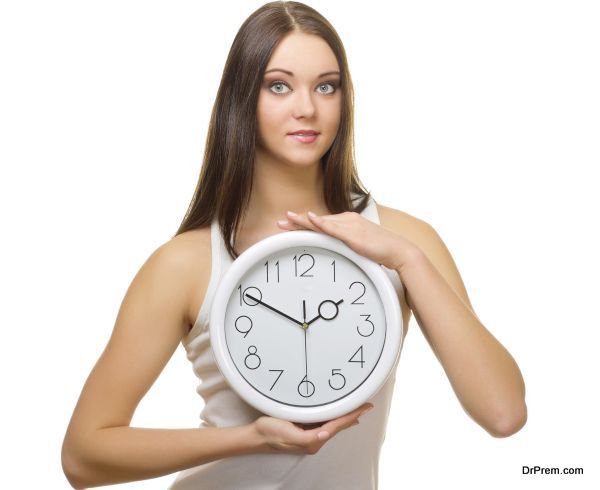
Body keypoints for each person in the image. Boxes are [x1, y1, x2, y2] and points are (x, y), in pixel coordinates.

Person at [61, 1, 527, 488]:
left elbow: (503, 413)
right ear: (243, 98)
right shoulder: (186, 264)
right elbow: (84, 455)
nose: (307, 108)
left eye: (326, 86)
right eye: (278, 85)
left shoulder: (405, 241)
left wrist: (407, 260)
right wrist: (252, 437)